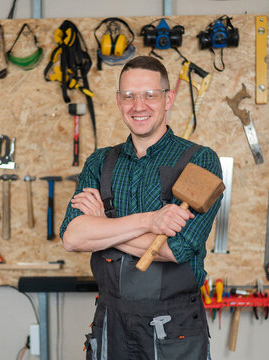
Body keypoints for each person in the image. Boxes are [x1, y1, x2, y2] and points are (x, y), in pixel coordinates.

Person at [60, 55, 222, 360]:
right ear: (119, 100)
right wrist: (151, 221)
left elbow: (176, 250)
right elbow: (73, 238)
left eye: (149, 95)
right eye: (129, 96)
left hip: (174, 326)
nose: (139, 106)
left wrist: (103, 223)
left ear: (168, 98)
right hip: (111, 321)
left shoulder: (200, 160)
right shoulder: (100, 162)